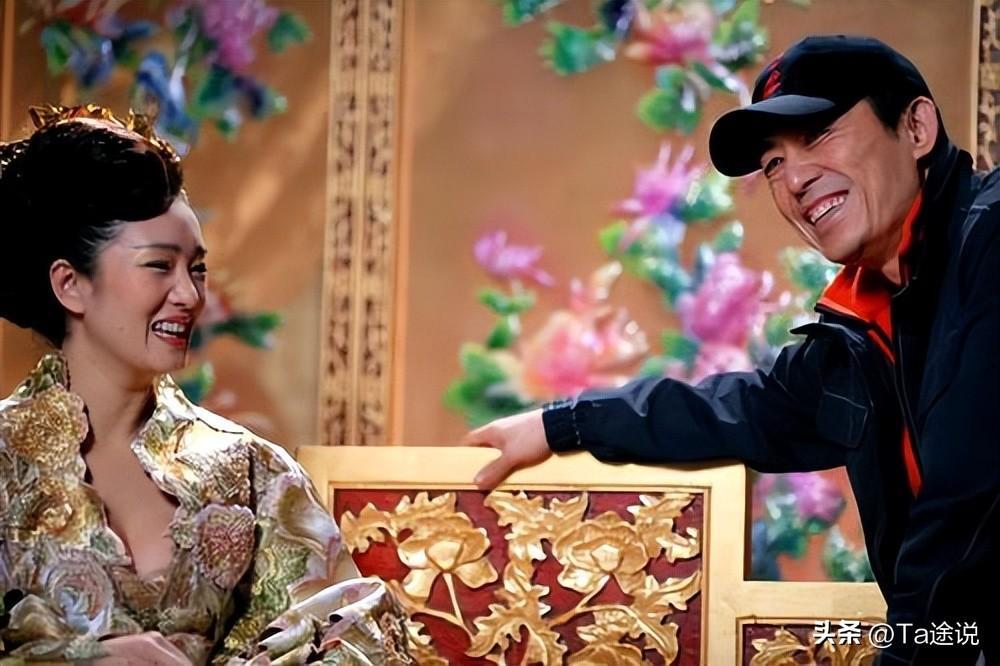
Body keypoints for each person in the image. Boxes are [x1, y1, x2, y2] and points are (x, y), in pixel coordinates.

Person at [467, 35, 998, 666]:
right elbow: (745, 410)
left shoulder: (990, 239)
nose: (795, 179)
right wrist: (562, 423)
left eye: (820, 135)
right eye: (773, 163)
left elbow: (968, 500)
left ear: (915, 127)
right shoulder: (865, 321)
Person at [0, 105, 410, 665]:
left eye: (196, 268)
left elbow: (355, 637)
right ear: (70, 284)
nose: (190, 296)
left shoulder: (252, 471)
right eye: (159, 266)